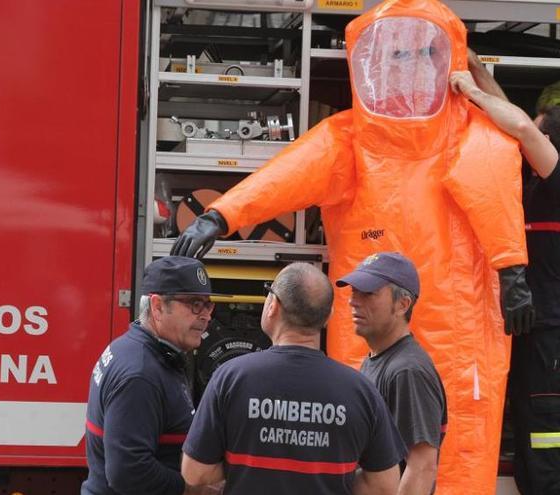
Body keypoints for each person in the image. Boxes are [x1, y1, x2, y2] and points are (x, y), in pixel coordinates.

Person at [171, 0, 533, 492]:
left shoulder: (472, 136)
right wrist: (221, 215)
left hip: (455, 326)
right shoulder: (354, 140)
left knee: (454, 444)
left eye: (417, 56)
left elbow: (493, 192)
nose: (403, 72)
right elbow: (285, 177)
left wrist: (512, 268)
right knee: (366, 433)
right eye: (394, 57)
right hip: (386, 320)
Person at [450, 52, 560, 495]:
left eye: (535, 125)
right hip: (530, 335)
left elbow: (523, 127)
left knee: (549, 462)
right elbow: (517, 120)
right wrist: (475, 67)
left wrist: (470, 93)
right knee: (530, 466)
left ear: (546, 139)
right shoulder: (537, 184)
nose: (524, 125)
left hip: (550, 338)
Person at [180, 262, 406, 495]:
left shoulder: (229, 379)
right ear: (328, 316)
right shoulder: (361, 391)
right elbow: (384, 486)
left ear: (273, 306)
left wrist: (243, 467)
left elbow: (195, 474)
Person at [82, 256, 222, 495]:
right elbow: (127, 471)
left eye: (208, 305)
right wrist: (192, 490)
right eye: (194, 305)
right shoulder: (140, 374)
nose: (206, 316)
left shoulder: (140, 350)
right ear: (157, 307)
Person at [336, 252, 447, 494]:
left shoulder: (407, 371)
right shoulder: (378, 359)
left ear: (403, 304)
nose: (353, 301)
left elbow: (422, 466)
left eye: (368, 293)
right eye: (354, 291)